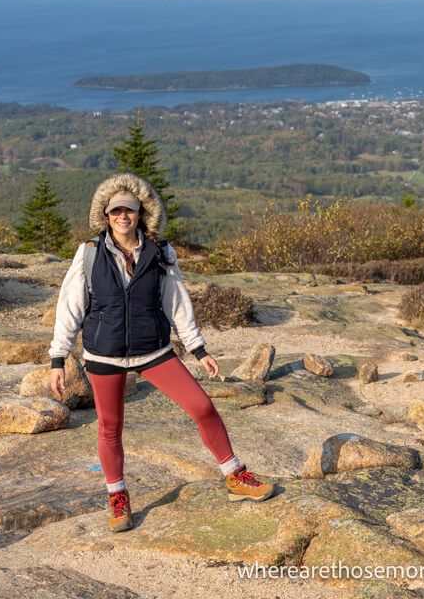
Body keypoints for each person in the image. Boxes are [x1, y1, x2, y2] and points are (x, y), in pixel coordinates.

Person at [49, 172, 274, 533]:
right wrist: (58, 358)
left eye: (130, 211)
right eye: (116, 211)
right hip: (103, 354)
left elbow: (177, 303)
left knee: (202, 405)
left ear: (141, 215)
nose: (123, 217)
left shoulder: (159, 252)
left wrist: (198, 349)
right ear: (106, 216)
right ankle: (118, 499)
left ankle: (235, 475)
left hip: (153, 349)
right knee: (110, 427)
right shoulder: (89, 253)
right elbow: (70, 306)